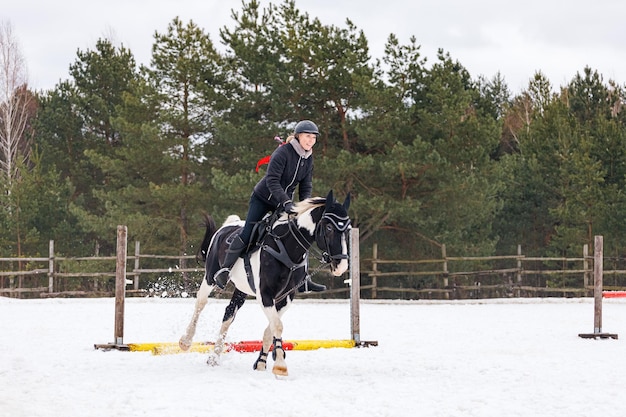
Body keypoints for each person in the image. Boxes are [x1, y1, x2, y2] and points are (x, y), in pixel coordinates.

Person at [214, 120, 326, 292]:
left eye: (313, 138)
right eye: (307, 136)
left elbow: (306, 186)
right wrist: (286, 202)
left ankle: (303, 279)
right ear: (298, 136)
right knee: (248, 233)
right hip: (263, 199)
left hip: (283, 202)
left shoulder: (308, 158)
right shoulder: (283, 153)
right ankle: (225, 270)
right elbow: (272, 181)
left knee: (298, 234)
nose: (310, 141)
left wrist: (305, 207)